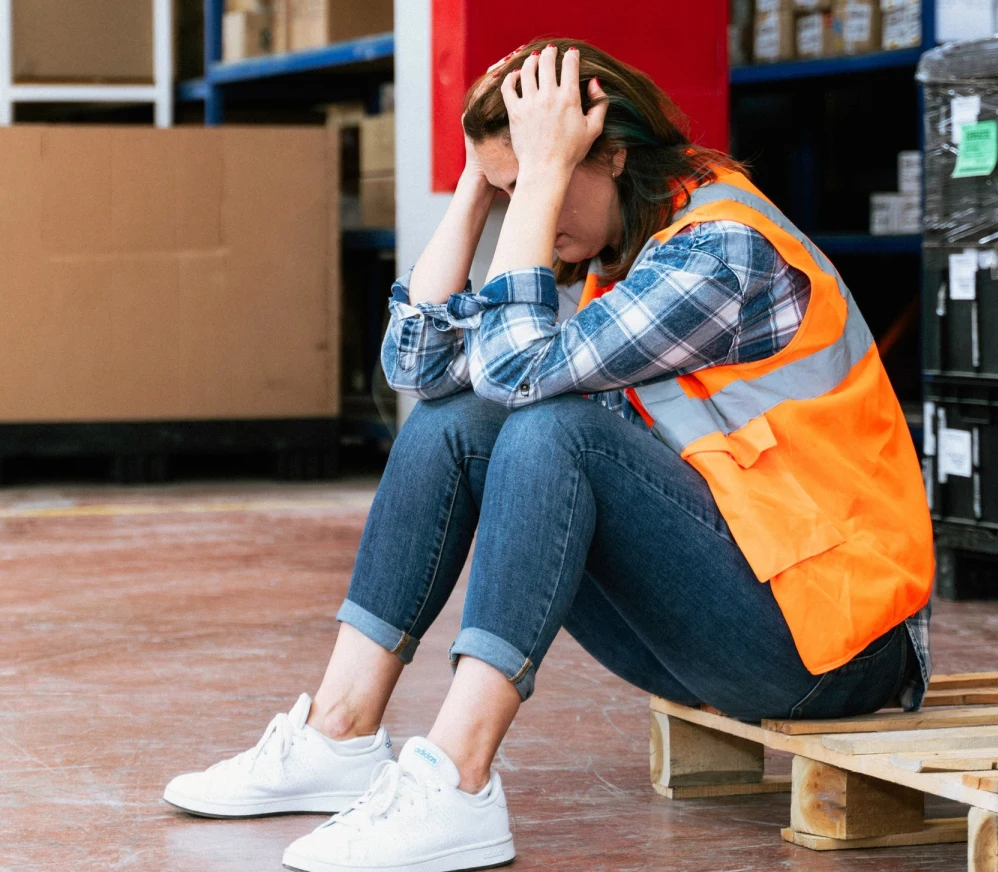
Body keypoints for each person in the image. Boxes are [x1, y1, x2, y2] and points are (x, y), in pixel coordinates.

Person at [163, 39, 934, 872]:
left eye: (537, 182)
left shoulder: (722, 253)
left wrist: (533, 188)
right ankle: (338, 731)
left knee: (550, 425)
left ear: (611, 153)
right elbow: (418, 372)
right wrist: (476, 184)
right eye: (507, 191)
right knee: (457, 424)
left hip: (834, 645)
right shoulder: (619, 257)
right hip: (719, 627)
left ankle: (456, 780)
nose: (523, 209)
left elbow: (519, 368)